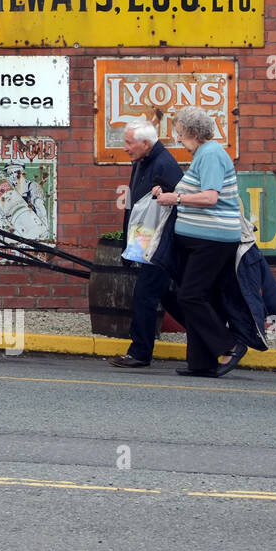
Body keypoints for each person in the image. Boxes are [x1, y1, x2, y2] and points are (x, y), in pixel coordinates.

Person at [152, 106, 247, 377]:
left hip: (213, 239)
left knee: (190, 295)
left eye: (180, 133)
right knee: (201, 297)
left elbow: (210, 198)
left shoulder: (211, 154)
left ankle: (230, 345)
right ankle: (201, 363)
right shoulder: (205, 155)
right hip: (203, 239)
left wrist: (177, 198)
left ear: (194, 132)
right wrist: (170, 191)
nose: (179, 139)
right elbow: (197, 190)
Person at [108, 119, 182, 368]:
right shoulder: (143, 161)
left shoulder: (164, 165)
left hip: (159, 245)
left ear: (145, 143)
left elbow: (178, 207)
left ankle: (140, 353)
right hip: (146, 241)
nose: (126, 148)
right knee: (170, 297)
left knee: (144, 295)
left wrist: (158, 248)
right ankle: (216, 338)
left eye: (129, 143)